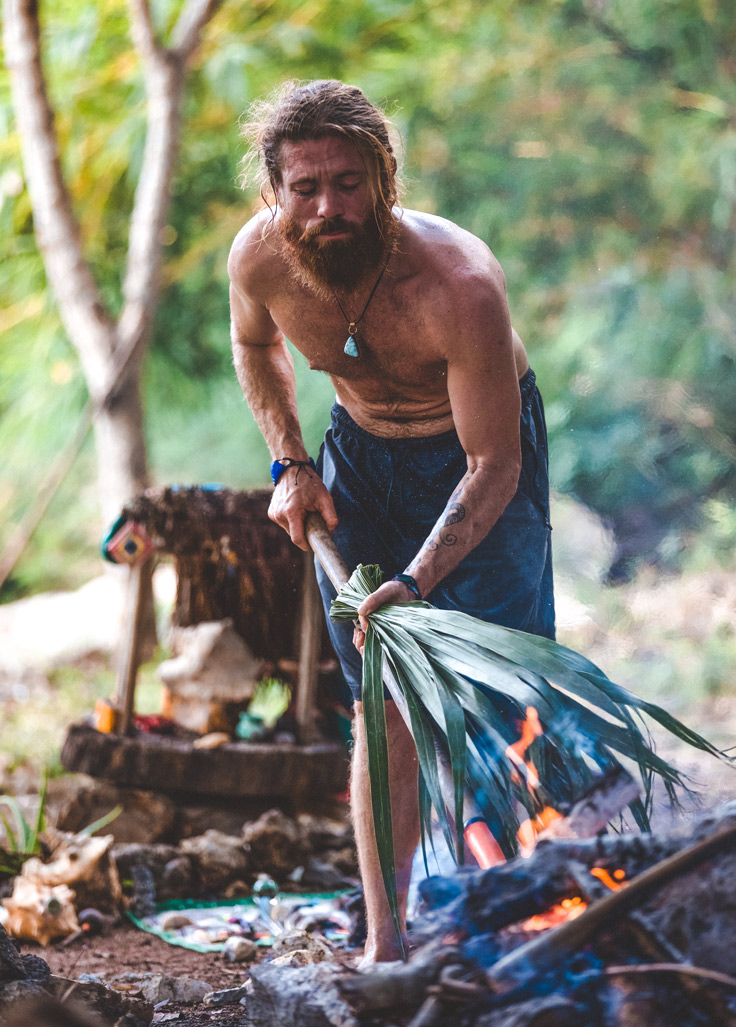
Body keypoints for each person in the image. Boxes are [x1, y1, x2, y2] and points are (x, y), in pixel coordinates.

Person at [228, 79, 555, 964]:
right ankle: (387, 942)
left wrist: (416, 580)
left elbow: (497, 464)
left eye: (348, 182)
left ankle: (529, 914)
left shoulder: (459, 283)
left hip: (477, 461)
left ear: (385, 179)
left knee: (504, 697)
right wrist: (291, 462)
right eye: (305, 186)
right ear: (275, 190)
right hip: (359, 462)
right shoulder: (259, 260)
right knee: (385, 702)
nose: (328, 207)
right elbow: (256, 344)